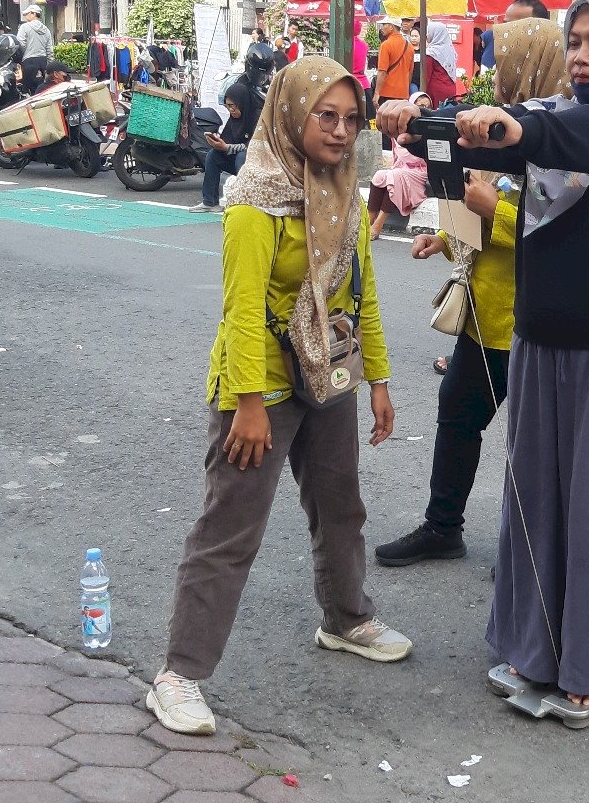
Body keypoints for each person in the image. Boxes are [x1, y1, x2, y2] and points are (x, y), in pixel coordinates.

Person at [379, 0, 589, 710]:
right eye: (573, 41)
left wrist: (506, 131)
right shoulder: (544, 114)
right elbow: (470, 154)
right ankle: (539, 650)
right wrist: (415, 119)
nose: (581, 55)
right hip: (541, 338)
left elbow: (576, 139)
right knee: (539, 505)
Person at [147, 57, 407, 737]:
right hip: (259, 382)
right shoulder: (255, 199)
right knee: (231, 527)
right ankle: (179, 674)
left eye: (352, 119)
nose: (341, 131)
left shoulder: (342, 191)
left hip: (329, 375)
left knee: (340, 504)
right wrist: (251, 404)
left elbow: (362, 295)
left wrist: (378, 381)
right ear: (292, 113)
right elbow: (239, 312)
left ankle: (346, 618)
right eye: (327, 115)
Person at [374, 17, 571, 566]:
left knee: (533, 445)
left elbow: (564, 232)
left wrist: (498, 213)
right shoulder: (492, 127)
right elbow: (477, 195)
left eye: (508, 61)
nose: (499, 74)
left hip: (533, 319)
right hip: (484, 315)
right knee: (458, 414)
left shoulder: (566, 135)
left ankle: (529, 553)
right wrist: (445, 236)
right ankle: (443, 526)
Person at [188, 78, 261, 214]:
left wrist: (227, 147)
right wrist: (217, 143)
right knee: (213, 155)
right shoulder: (234, 119)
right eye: (228, 106)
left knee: (241, 156)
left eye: (233, 106)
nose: (231, 110)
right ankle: (210, 202)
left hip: (255, 163)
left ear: (242, 103)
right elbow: (227, 141)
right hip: (236, 160)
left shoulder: (256, 117)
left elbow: (252, 146)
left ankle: (245, 201)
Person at [367, 92, 434, 237]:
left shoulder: (428, 129)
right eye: (420, 106)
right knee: (380, 175)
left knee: (396, 176)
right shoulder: (398, 127)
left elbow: (420, 159)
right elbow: (398, 157)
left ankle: (378, 225)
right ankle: (367, 221)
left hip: (420, 172)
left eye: (427, 107)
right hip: (402, 169)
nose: (424, 109)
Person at [375, 17, 413, 150]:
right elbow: (410, 72)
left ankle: (387, 154)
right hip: (403, 93)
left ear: (391, 26)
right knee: (399, 127)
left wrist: (376, 93)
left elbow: (382, 71)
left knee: (386, 128)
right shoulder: (409, 46)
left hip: (387, 93)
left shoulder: (386, 45)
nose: (382, 28)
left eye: (384, 25)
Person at [17, 4, 54, 95]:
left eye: (27, 13)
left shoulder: (24, 27)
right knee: (42, 91)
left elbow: (20, 45)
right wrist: (50, 65)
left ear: (33, 14)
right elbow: (49, 49)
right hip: (43, 61)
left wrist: (18, 61)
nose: (25, 16)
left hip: (28, 62)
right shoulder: (46, 29)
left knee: (26, 91)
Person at [422, 20, 458, 107]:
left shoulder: (431, 53)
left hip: (436, 91)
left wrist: (421, 94)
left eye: (429, 32)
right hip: (451, 89)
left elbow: (425, 77)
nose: (427, 35)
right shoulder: (450, 50)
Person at [351, 18, 373, 118]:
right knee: (368, 114)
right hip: (364, 83)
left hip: (349, 82)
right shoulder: (364, 45)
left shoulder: (344, 45)